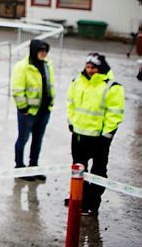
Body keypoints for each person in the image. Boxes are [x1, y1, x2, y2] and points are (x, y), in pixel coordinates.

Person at [67, 53, 124, 216]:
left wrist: (107, 135)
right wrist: (71, 122)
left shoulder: (112, 87)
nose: (90, 70)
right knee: (78, 169)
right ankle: (79, 200)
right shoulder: (77, 81)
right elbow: (70, 103)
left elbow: (114, 114)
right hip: (78, 135)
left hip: (99, 138)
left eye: (93, 67)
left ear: (101, 68)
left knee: (98, 172)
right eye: (88, 67)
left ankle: (93, 203)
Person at [11, 39, 55, 180]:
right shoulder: (22, 67)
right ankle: (19, 167)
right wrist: (23, 108)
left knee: (37, 140)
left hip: (43, 111)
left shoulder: (47, 65)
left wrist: (50, 104)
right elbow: (17, 89)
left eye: (45, 51)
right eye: (40, 50)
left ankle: (33, 166)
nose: (43, 54)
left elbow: (50, 86)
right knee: (23, 138)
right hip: (28, 112)